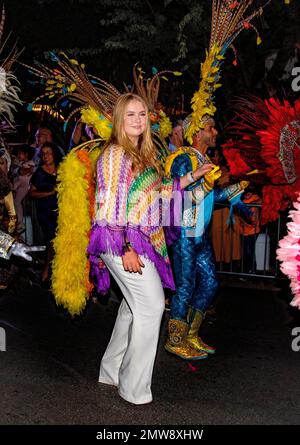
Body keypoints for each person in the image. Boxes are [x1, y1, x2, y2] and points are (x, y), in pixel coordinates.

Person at [87, 93, 213, 405]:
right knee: (153, 305)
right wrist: (126, 247)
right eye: (130, 114)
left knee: (133, 308)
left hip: (136, 240)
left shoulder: (142, 155)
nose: (137, 120)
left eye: (142, 114)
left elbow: (158, 194)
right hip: (120, 240)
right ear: (119, 119)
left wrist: (192, 177)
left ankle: (111, 370)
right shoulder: (115, 153)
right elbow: (108, 205)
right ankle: (133, 387)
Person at [164, 116, 249, 360]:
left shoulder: (205, 160)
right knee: (185, 285)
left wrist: (238, 186)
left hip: (200, 233)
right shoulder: (183, 159)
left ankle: (190, 333)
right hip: (184, 232)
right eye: (210, 127)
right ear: (197, 132)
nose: (215, 131)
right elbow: (181, 196)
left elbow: (214, 197)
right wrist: (208, 186)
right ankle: (175, 339)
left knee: (210, 283)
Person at [29, 142, 63, 282]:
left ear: (54, 154)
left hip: (62, 210)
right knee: (51, 239)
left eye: (48, 153)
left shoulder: (62, 169)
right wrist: (50, 193)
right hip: (45, 212)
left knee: (59, 241)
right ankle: (46, 271)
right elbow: (31, 194)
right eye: (43, 153)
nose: (45, 156)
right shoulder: (39, 173)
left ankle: (54, 271)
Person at [13, 145, 35, 232]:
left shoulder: (30, 163)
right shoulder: (21, 164)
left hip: (25, 185)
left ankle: (20, 223)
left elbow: (22, 172)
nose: (18, 155)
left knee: (17, 202)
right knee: (16, 202)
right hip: (20, 184)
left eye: (20, 153)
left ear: (26, 154)